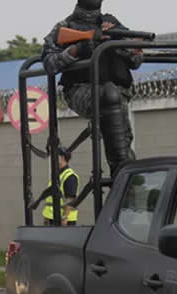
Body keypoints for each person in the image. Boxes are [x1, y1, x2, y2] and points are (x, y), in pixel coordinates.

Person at [42, 0, 142, 178]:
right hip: (82, 91)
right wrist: (77, 50)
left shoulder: (112, 23)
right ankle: (123, 175)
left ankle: (125, 180)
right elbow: (49, 64)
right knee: (109, 96)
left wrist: (119, 43)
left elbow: (135, 61)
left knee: (123, 145)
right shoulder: (65, 27)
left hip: (117, 96)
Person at [43, 147, 80, 226]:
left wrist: (64, 217)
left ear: (62, 158)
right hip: (53, 217)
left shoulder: (70, 176)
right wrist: (46, 217)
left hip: (63, 220)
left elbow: (70, 198)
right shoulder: (58, 175)